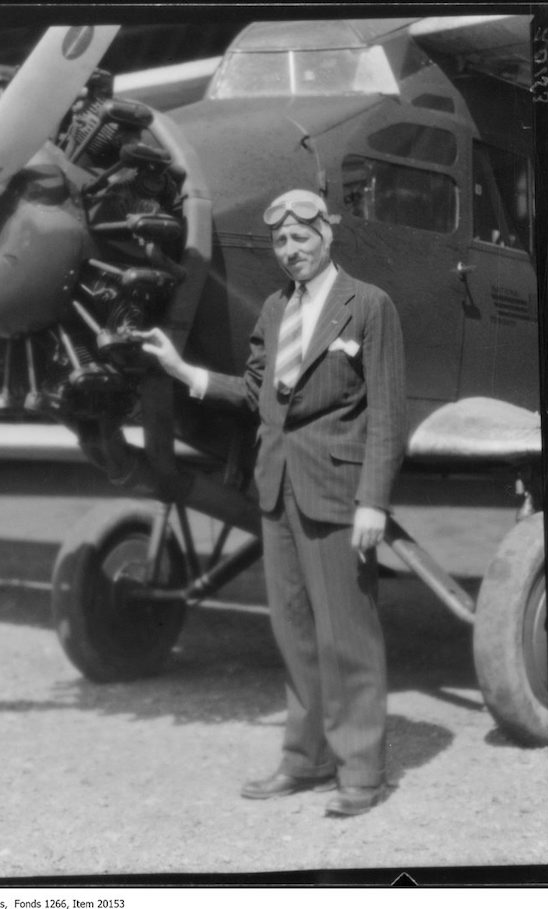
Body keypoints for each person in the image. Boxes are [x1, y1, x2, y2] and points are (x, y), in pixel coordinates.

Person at [137, 188, 408, 818]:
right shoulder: (273, 309)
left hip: (340, 493)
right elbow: (257, 393)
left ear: (326, 235)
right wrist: (184, 372)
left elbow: (388, 414)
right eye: (282, 241)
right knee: (294, 633)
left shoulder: (369, 306)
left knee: (349, 636)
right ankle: (305, 759)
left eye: (302, 236)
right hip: (277, 487)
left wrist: (374, 501)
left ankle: (361, 769)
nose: (292, 250)